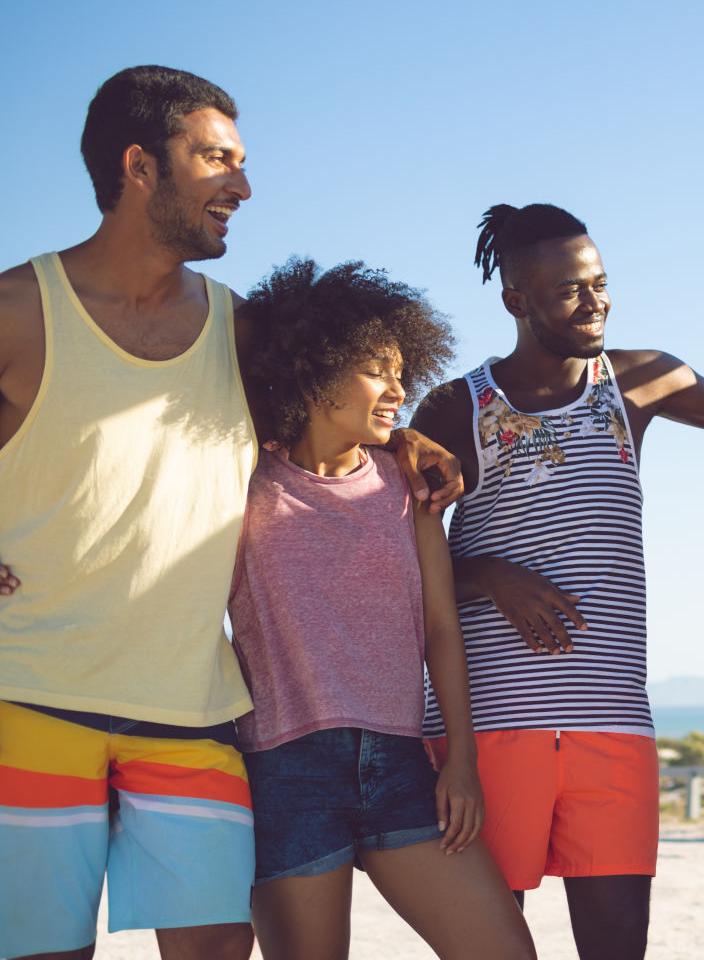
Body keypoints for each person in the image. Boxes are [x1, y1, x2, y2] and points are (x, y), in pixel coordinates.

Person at [0, 66, 457, 960]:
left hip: (195, 708)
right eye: (216, 160)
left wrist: (410, 445)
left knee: (218, 949)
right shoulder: (19, 313)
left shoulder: (241, 334)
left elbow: (335, 415)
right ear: (140, 165)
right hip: (30, 698)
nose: (241, 187)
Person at [407, 202, 704, 959]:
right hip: (491, 726)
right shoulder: (455, 408)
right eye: (570, 289)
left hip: (614, 721)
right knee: (492, 945)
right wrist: (490, 575)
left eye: (599, 282)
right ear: (517, 301)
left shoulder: (639, 381)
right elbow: (396, 558)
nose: (595, 300)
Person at [226, 257, 534, 959]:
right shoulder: (246, 475)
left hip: (401, 764)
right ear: (314, 366)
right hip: (284, 767)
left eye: (402, 368)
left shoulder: (405, 480)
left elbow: (439, 629)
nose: (399, 389)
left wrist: (459, 760)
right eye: (377, 369)